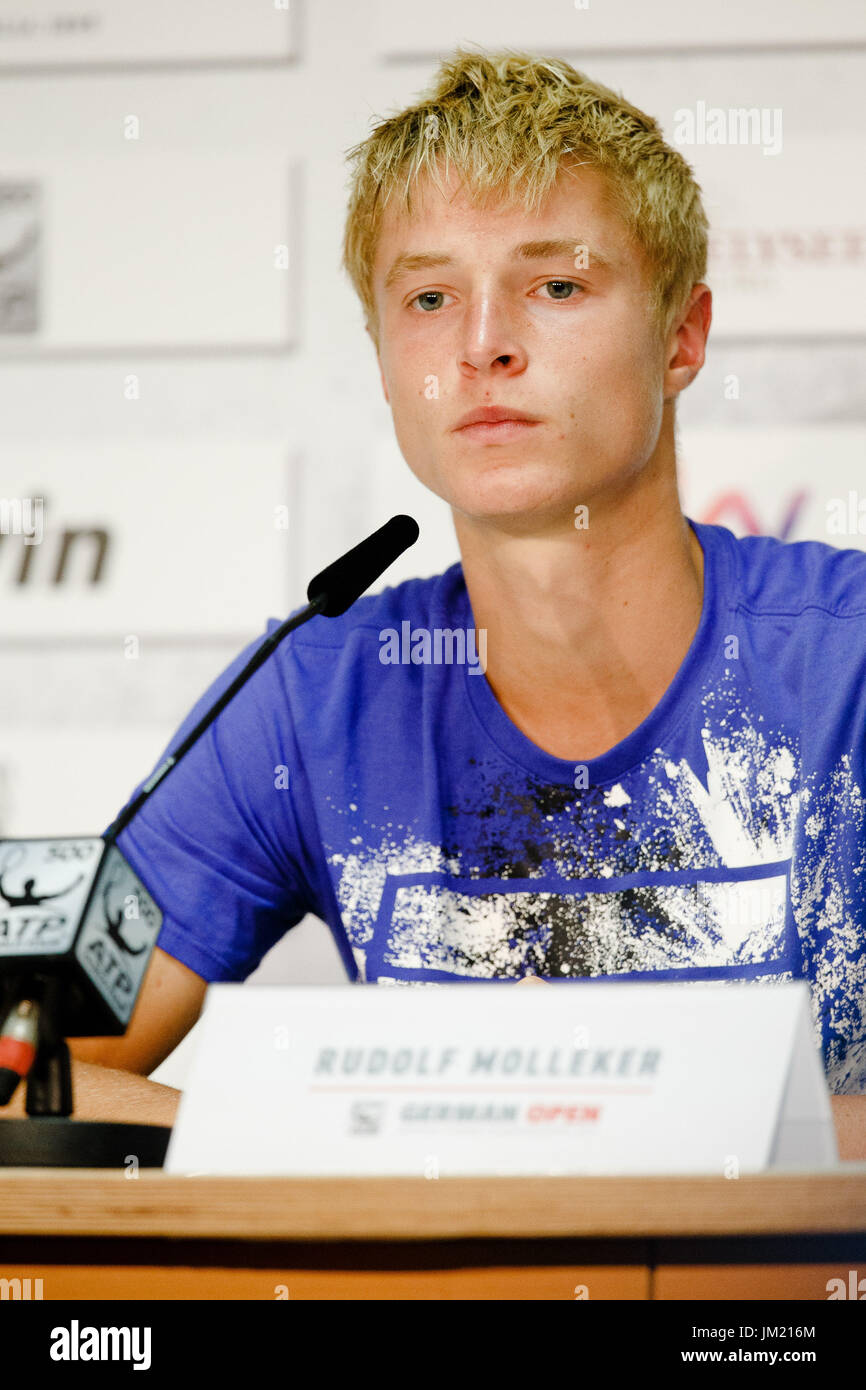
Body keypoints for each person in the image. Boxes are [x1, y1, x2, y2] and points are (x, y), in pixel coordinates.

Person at [68, 49, 866, 1154]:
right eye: (429, 296)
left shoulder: (848, 665)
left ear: (680, 336)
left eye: (555, 286)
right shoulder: (319, 689)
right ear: (386, 359)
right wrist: (360, 1133)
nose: (481, 345)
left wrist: (622, 1125)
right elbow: (31, 1071)